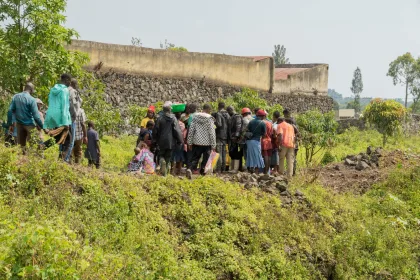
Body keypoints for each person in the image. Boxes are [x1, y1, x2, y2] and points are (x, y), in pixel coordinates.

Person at [9, 83, 44, 154]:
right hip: (30, 125)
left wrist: (12, 122)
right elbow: (36, 116)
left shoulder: (16, 97)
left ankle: (22, 161)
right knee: (34, 146)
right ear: (31, 90)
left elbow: (11, 110)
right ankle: (34, 161)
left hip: (19, 124)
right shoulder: (32, 99)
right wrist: (43, 126)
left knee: (21, 147)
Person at [44, 74, 73, 159]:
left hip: (51, 115)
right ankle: (62, 160)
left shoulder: (53, 89)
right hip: (60, 116)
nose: (70, 84)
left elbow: (50, 102)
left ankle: (41, 147)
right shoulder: (64, 90)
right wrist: (65, 122)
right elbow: (64, 107)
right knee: (69, 139)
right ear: (66, 80)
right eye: (69, 82)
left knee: (57, 138)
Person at [186, 104, 216, 179]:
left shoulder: (195, 117)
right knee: (206, 159)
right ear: (209, 110)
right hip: (207, 143)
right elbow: (212, 133)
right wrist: (213, 145)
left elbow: (191, 131)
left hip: (196, 142)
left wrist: (189, 142)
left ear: (203, 109)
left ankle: (190, 169)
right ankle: (202, 172)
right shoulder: (210, 119)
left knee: (195, 158)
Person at [154, 104, 183, 176]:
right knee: (168, 157)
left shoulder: (159, 118)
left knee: (160, 155)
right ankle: (165, 174)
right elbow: (177, 130)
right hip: (171, 142)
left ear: (163, 110)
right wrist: (180, 140)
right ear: (170, 110)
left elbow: (155, 130)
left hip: (161, 141)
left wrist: (154, 140)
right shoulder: (174, 118)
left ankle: (162, 161)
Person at [64, 78, 82, 162]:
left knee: (63, 139)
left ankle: (61, 156)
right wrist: (74, 116)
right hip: (70, 119)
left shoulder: (64, 90)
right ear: (75, 85)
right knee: (71, 141)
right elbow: (74, 105)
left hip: (62, 118)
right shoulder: (73, 92)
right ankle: (65, 159)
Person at [214, 102, 230, 173]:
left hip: (219, 135)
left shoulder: (218, 114)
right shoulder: (227, 114)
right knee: (224, 153)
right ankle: (223, 169)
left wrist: (214, 122)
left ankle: (218, 169)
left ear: (218, 106)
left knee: (219, 152)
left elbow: (219, 124)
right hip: (226, 136)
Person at [227, 106, 243, 173]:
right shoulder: (232, 117)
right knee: (232, 153)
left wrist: (236, 136)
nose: (228, 113)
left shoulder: (237, 116)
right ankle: (233, 168)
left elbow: (238, 126)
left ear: (231, 110)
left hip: (235, 138)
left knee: (235, 153)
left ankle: (235, 169)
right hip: (232, 137)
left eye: (228, 111)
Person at [283, 108, 299, 175]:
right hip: (293, 142)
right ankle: (292, 172)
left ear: (286, 114)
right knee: (292, 158)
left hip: (288, 142)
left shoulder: (288, 121)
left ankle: (291, 172)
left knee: (289, 158)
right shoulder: (293, 120)